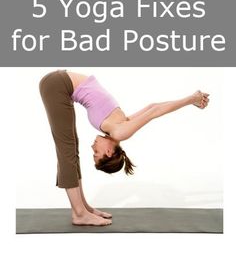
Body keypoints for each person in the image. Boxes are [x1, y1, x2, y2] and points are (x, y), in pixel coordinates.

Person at [39, 69, 209, 226]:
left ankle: (84, 208)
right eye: (96, 152)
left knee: (71, 150)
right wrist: (191, 99)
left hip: (59, 85)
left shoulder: (120, 125)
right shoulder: (121, 131)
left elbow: (151, 107)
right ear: (108, 152)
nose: (92, 146)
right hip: (57, 85)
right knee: (67, 151)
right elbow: (155, 110)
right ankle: (79, 214)